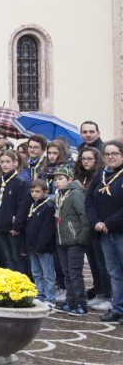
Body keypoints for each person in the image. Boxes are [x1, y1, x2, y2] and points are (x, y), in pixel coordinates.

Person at [86, 139, 123, 324]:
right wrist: (96, 222)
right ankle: (118, 309)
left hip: (119, 231)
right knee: (114, 272)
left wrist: (109, 222)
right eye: (107, 153)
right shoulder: (100, 174)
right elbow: (89, 201)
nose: (110, 156)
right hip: (103, 233)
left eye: (114, 153)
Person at [52, 166, 89, 315]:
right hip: (61, 240)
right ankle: (70, 301)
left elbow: (83, 216)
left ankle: (81, 303)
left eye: (61, 179)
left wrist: (82, 237)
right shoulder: (60, 195)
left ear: (70, 179)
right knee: (67, 273)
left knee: (75, 273)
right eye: (55, 180)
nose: (57, 182)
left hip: (74, 240)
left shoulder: (75, 194)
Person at [0, 150, 29, 276]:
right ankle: (13, 286)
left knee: (17, 257)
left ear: (15, 163)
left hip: (13, 228)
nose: (4, 165)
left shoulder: (20, 181)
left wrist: (17, 226)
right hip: (0, 226)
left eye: (8, 162)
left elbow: (23, 206)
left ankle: (23, 285)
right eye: (2, 162)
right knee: (8, 257)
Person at [25, 180, 57, 307]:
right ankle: (40, 294)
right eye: (32, 191)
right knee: (36, 272)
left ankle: (50, 298)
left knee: (48, 273)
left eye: (37, 191)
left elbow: (47, 230)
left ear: (45, 192)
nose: (34, 194)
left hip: (44, 248)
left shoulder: (48, 207)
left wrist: (40, 246)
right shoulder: (33, 205)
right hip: (32, 246)